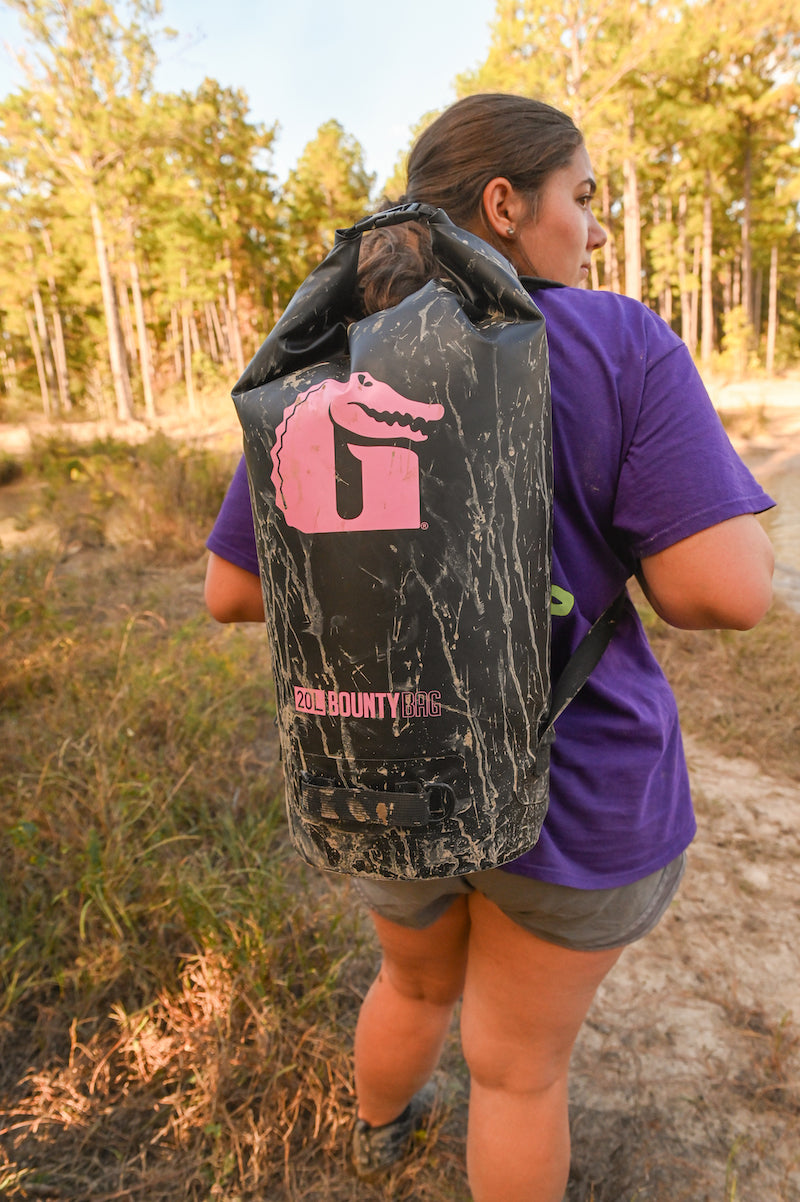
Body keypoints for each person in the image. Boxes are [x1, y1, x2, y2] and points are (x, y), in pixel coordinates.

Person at [205, 94, 774, 1202]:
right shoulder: (615, 338)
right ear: (506, 204)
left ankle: (378, 1133)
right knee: (514, 1072)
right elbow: (722, 594)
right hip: (573, 787)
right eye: (584, 196)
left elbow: (230, 589)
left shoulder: (328, 359)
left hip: (382, 768)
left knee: (412, 987)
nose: (595, 231)